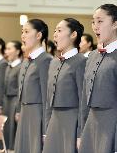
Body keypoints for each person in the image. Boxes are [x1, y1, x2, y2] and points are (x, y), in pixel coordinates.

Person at [79, 4, 117, 153]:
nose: (95, 27)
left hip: (111, 126)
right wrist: (81, 133)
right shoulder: (92, 55)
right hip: (90, 126)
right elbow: (84, 97)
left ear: (115, 24)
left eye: (100, 21)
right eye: (93, 22)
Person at [43, 18, 86, 153]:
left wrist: (80, 133)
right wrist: (46, 127)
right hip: (54, 121)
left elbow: (83, 101)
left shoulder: (81, 61)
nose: (55, 34)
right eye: (55, 31)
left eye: (60, 30)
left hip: (71, 122)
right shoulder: (54, 62)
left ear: (73, 35)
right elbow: (48, 99)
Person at [14, 19, 52, 153]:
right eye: (22, 32)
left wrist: (45, 128)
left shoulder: (46, 60)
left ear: (38, 35)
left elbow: (47, 97)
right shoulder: (26, 60)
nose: (22, 35)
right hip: (25, 113)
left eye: (26, 31)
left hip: (37, 115)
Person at [3, 41, 22, 150]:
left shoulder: (20, 67)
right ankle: (7, 148)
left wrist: (18, 109)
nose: (6, 52)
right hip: (7, 100)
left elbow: (20, 90)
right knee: (6, 127)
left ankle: (13, 149)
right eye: (6, 49)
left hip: (15, 100)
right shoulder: (8, 66)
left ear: (18, 51)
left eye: (9, 49)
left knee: (13, 127)